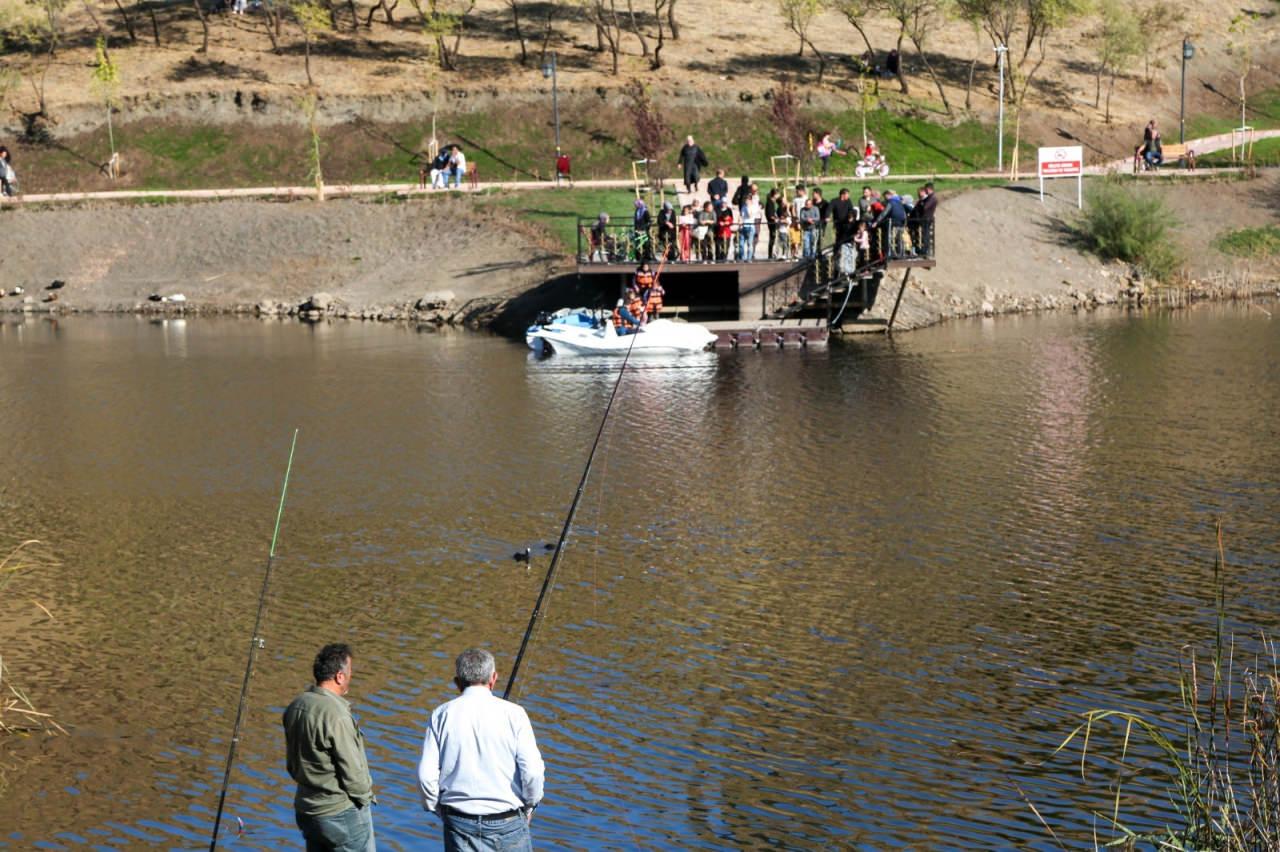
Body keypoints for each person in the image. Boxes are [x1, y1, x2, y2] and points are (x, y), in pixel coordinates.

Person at [418, 648, 545, 852]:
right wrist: (530, 805)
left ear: (457, 682)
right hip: (509, 822)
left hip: (458, 822)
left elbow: (426, 777)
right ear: (493, 678)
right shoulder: (515, 715)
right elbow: (532, 772)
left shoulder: (441, 715)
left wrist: (437, 809)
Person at [283, 643, 377, 852]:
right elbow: (354, 775)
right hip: (340, 814)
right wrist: (365, 798)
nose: (351, 676)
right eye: (350, 671)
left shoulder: (296, 706)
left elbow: (292, 765)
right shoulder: (337, 715)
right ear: (339, 676)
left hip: (307, 810)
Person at [915, 182, 938, 256]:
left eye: (925, 189)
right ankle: (924, 250)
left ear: (929, 189)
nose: (925, 191)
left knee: (926, 235)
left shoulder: (932, 197)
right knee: (924, 234)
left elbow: (925, 207)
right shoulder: (930, 197)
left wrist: (921, 202)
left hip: (927, 218)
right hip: (925, 218)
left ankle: (925, 251)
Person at [740, 184, 762, 261]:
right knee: (741, 244)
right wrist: (740, 223)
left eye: (748, 199)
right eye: (746, 199)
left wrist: (749, 206)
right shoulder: (743, 207)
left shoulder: (754, 206)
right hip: (744, 226)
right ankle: (742, 258)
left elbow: (750, 215)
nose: (746, 200)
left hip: (750, 226)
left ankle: (749, 258)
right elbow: (742, 216)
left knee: (750, 243)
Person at [764, 187, 783, 260]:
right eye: (778, 194)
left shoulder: (773, 203)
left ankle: (772, 254)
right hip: (771, 223)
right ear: (774, 195)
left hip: (773, 222)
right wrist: (776, 219)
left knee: (773, 238)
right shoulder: (770, 203)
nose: (779, 196)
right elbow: (770, 215)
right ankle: (770, 255)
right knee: (772, 238)